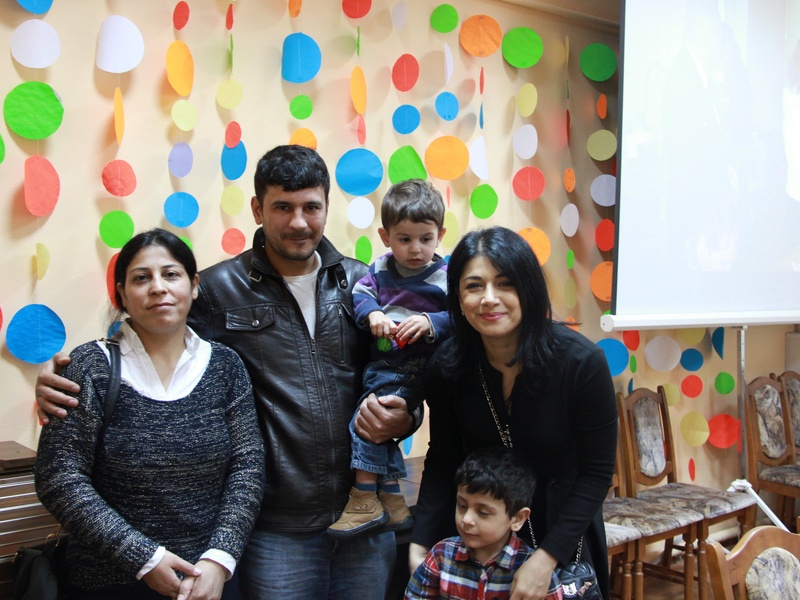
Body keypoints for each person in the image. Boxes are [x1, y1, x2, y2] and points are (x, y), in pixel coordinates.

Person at [35, 145, 421, 600]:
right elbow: (154, 334)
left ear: (327, 207)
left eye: (311, 207)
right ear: (258, 209)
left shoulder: (362, 285)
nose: (299, 222)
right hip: (276, 527)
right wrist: (71, 373)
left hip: (364, 516)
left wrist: (408, 415)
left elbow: (399, 369)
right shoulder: (218, 289)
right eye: (282, 207)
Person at [34, 228, 266, 600]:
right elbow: (59, 478)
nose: (158, 287)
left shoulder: (225, 366)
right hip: (107, 582)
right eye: (141, 278)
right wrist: (144, 558)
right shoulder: (89, 366)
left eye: (171, 274)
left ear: (193, 286)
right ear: (122, 294)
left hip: (208, 581)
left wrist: (220, 558)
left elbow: (248, 465)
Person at [408, 227, 617, 600]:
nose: (489, 299)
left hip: (565, 529)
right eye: (474, 286)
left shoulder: (581, 363)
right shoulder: (448, 366)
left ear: (529, 290)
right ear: (457, 295)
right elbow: (443, 460)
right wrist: (420, 543)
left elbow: (597, 473)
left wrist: (546, 558)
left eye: (505, 284)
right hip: (485, 534)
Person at [328, 179, 449, 538]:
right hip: (384, 361)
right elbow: (361, 293)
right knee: (382, 424)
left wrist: (430, 322)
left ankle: (365, 497)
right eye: (404, 239)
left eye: (425, 239)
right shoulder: (380, 269)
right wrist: (374, 315)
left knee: (368, 417)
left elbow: (459, 316)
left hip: (417, 363)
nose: (416, 249)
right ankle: (393, 500)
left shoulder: (445, 275)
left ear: (440, 234)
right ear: (385, 236)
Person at [405, 448, 562, 600]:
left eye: (483, 512)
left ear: (518, 518)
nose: (466, 519)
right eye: (462, 505)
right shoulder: (440, 556)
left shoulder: (533, 572)